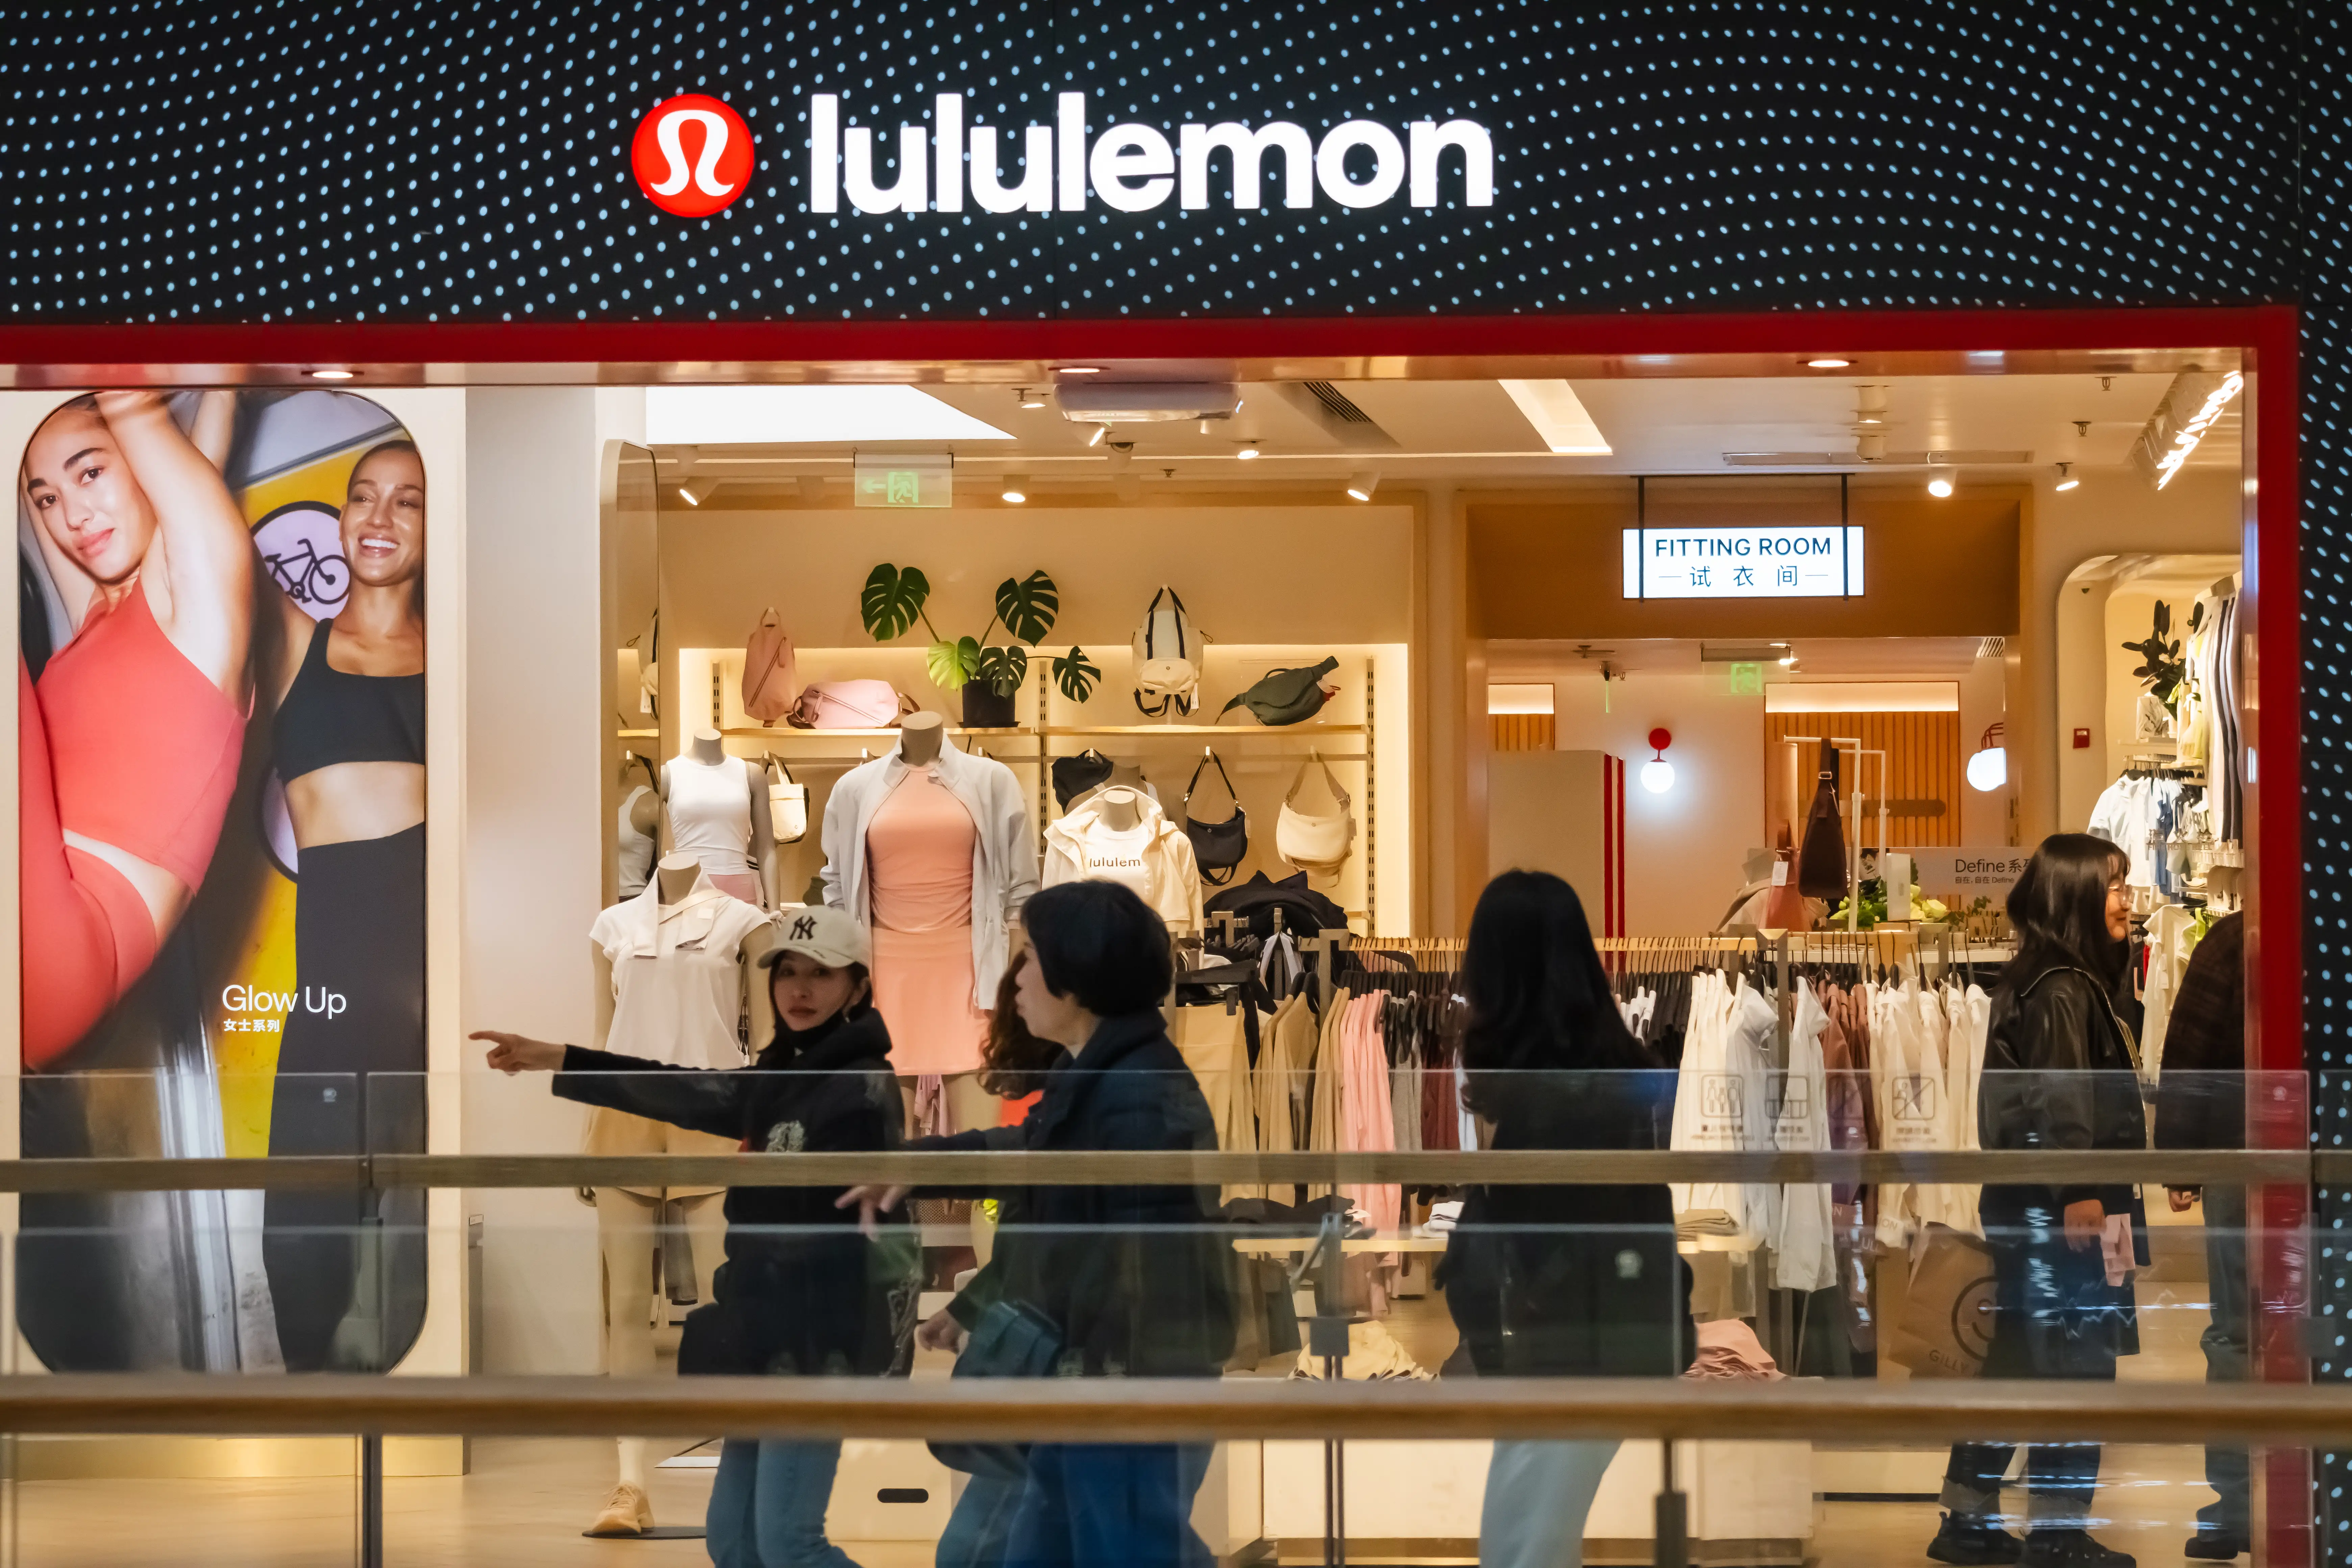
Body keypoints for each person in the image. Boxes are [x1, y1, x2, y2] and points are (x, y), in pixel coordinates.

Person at [475, 904, 917, 1568]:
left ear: (857, 986)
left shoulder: (862, 1085)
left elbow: (867, 1238)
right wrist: (557, 1058)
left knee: (791, 1547)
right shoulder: (781, 1075)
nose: (798, 989)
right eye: (787, 972)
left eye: (820, 974)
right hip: (765, 1344)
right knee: (736, 1545)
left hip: (816, 1349)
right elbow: (680, 1089)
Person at [841, 880, 1234, 1568]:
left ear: (1074, 977)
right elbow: (1033, 1162)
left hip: (1122, 1394)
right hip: (1089, 1386)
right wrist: (924, 1162)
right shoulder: (1098, 1075)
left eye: (1027, 956)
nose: (1014, 976)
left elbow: (1141, 1266)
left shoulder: (1136, 1090)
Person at [1437, 869, 1691, 1568]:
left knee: (1523, 1549)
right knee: (1528, 1542)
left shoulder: (1564, 1102)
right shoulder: (1594, 1081)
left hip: (1573, 1358)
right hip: (1587, 1352)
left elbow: (1556, 1242)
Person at [259, 436, 432, 1371]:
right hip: (332, 1011)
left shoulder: (462, 663)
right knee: (303, 1243)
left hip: (436, 1015)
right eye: (363, 497)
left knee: (423, 1249)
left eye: (406, 502)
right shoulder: (296, 644)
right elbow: (201, 544)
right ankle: (311, 1431)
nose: (377, 517)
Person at [17, 390, 253, 1067]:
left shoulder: (200, 607)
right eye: (46, 500)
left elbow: (133, 406)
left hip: (71, 946)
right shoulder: (96, 614)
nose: (73, 516)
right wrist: (220, 402)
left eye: (90, 473)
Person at [1930, 834, 2145, 1568]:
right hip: (2069, 1206)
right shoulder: (2063, 985)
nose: (2126, 898)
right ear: (2078, 893)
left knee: (2022, 1360)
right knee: (2076, 1363)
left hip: (2037, 1201)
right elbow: (2064, 1097)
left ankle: (1967, 1520)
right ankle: (2056, 1534)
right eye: (2114, 885)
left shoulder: (2043, 977)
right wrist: (2081, 1189)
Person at [916, 952, 1071, 1568]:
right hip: (1056, 1352)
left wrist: (905, 1170)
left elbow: (1051, 1226)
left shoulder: (1097, 1092)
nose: (1017, 987)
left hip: (1070, 1358)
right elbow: (1037, 1232)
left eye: (1032, 970)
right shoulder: (1071, 1090)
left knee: (973, 1551)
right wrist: (967, 1307)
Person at [2155, 912, 2249, 1561]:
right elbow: (2190, 1052)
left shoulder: (2237, 938)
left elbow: (2188, 1050)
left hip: (2240, 1160)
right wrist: (2182, 1161)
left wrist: (2181, 1161)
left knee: (2236, 1331)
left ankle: (2236, 1504)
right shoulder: (2241, 940)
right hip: (2252, 1162)